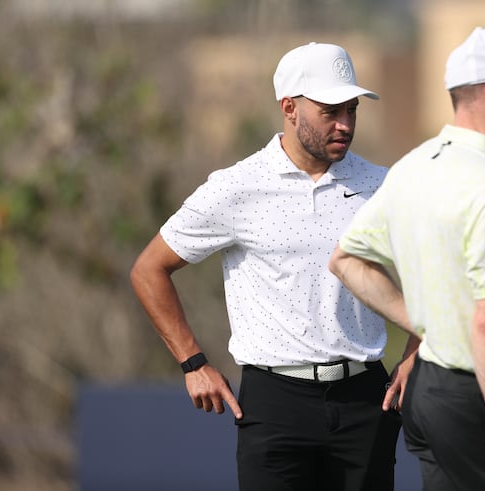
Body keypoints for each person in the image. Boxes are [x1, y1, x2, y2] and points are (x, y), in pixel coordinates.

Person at [130, 41, 411, 491]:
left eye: (351, 110)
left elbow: (433, 271)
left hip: (365, 399)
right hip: (275, 401)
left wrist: (416, 349)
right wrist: (193, 363)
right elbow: (149, 269)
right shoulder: (237, 187)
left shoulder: (382, 184)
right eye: (330, 111)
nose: (345, 124)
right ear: (289, 108)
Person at [329, 27, 485, 490]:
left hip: (429, 395)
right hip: (481, 399)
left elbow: (346, 260)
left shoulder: (415, 166)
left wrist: (428, 326)